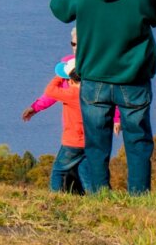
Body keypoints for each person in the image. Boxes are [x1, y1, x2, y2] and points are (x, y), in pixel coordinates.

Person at [49, 0, 156, 194]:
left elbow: (59, 8)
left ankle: (100, 196)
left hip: (94, 78)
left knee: (96, 143)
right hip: (134, 79)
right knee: (138, 142)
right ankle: (139, 198)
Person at [22, 53, 120, 194]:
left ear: (71, 80)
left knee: (58, 170)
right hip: (90, 141)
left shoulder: (70, 94)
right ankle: (95, 197)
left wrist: (60, 76)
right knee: (85, 171)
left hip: (72, 142)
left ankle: (54, 195)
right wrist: (117, 119)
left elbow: (50, 91)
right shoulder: (94, 93)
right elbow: (113, 103)